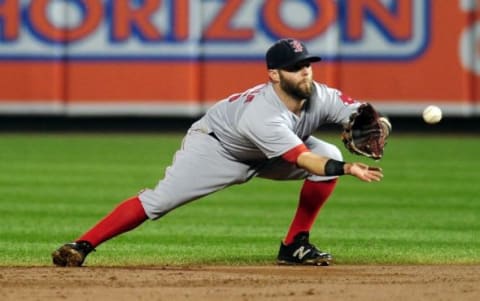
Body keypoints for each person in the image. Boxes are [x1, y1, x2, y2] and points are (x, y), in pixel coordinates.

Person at [52, 38, 389, 267]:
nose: (305, 72)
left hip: (272, 151)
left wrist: (382, 125)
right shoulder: (263, 114)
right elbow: (303, 159)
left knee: (328, 150)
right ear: (274, 75)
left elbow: (361, 114)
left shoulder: (320, 94)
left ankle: (293, 245)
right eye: (295, 67)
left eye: (308, 65)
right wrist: (346, 168)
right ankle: (82, 245)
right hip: (218, 149)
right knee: (159, 202)